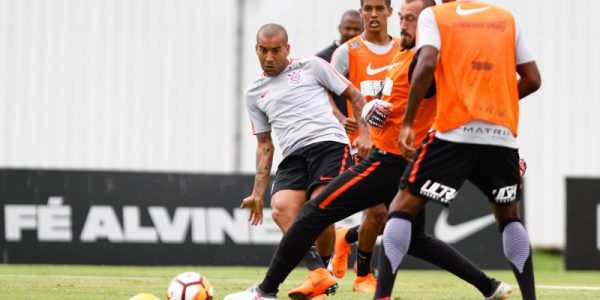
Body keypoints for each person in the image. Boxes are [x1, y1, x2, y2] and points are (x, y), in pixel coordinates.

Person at [224, 1, 514, 299]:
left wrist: (371, 123)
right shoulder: (403, 53)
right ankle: (489, 286)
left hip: (387, 159)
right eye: (401, 17)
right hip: (409, 161)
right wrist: (375, 108)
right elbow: (408, 101)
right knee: (414, 238)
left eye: (408, 18)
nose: (401, 24)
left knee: (314, 212)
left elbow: (458, 104)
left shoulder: (426, 58)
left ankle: (267, 290)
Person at [376, 0, 542, 299]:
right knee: (509, 217)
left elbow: (426, 63)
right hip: (501, 134)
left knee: (401, 209)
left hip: (454, 131)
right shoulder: (507, 18)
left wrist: (409, 122)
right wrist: (498, 103)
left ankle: (382, 296)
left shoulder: (435, 15)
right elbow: (532, 80)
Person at [235, 23, 371, 300]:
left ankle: (317, 274)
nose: (269, 57)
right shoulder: (254, 92)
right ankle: (319, 274)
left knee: (317, 211)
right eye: (263, 51)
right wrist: (257, 193)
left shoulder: (312, 66)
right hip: (293, 155)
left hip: (328, 145)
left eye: (276, 50)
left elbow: (355, 95)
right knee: (282, 210)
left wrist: (364, 134)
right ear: (256, 49)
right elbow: (264, 145)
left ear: (288, 49)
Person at [328, 0, 401, 292]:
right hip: (363, 145)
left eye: (378, 8)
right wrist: (342, 119)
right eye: (367, 8)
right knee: (379, 213)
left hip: (397, 147)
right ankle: (363, 276)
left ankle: (344, 238)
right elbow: (322, 90)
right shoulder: (347, 52)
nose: (373, 14)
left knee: (396, 216)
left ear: (389, 12)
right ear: (361, 12)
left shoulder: (404, 50)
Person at [316, 10, 363, 117]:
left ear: (363, 30)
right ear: (340, 28)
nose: (351, 33)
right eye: (348, 28)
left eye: (356, 29)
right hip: (335, 122)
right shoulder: (322, 58)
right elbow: (318, 93)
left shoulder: (368, 56)